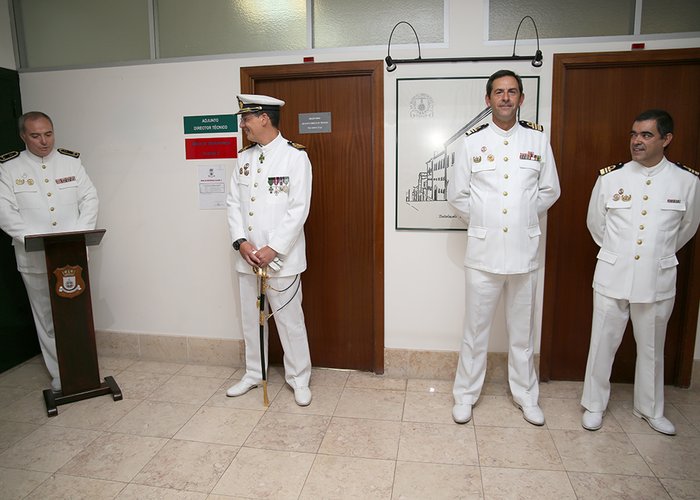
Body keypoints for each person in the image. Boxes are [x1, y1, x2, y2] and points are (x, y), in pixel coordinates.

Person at [448, 70, 561, 425]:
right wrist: (488, 221)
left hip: (524, 254)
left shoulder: (538, 141)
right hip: (483, 254)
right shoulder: (471, 143)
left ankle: (526, 396)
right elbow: (457, 195)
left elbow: (549, 191)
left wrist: (522, 217)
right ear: (488, 100)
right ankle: (465, 395)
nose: (506, 98)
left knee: (522, 332)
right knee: (475, 332)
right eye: (499, 92)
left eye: (512, 92)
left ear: (521, 99)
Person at [581, 109, 700, 435]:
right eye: (634, 134)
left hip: (656, 277)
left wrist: (652, 255)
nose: (637, 141)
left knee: (651, 347)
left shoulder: (687, 181)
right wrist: (621, 254)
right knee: (602, 344)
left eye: (646, 135)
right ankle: (594, 404)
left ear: (666, 139)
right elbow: (596, 224)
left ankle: (650, 409)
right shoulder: (611, 178)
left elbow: (686, 229)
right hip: (612, 275)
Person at [0, 111, 99, 392]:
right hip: (33, 257)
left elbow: (90, 198)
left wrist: (77, 235)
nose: (44, 141)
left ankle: (84, 370)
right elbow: (4, 211)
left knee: (77, 313)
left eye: (48, 134)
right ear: (23, 136)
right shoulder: (9, 168)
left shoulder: (71, 163)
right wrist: (32, 239)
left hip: (72, 257)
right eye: (35, 135)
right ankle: (61, 374)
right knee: (46, 318)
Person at [226, 94, 313, 406]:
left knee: (290, 321)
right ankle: (254, 372)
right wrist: (242, 243)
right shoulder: (243, 159)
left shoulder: (294, 158)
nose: (243, 124)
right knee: (252, 319)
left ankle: (299, 378)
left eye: (247, 118)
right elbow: (234, 204)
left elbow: (298, 209)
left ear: (264, 118)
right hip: (248, 258)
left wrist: (273, 249)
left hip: (282, 260)